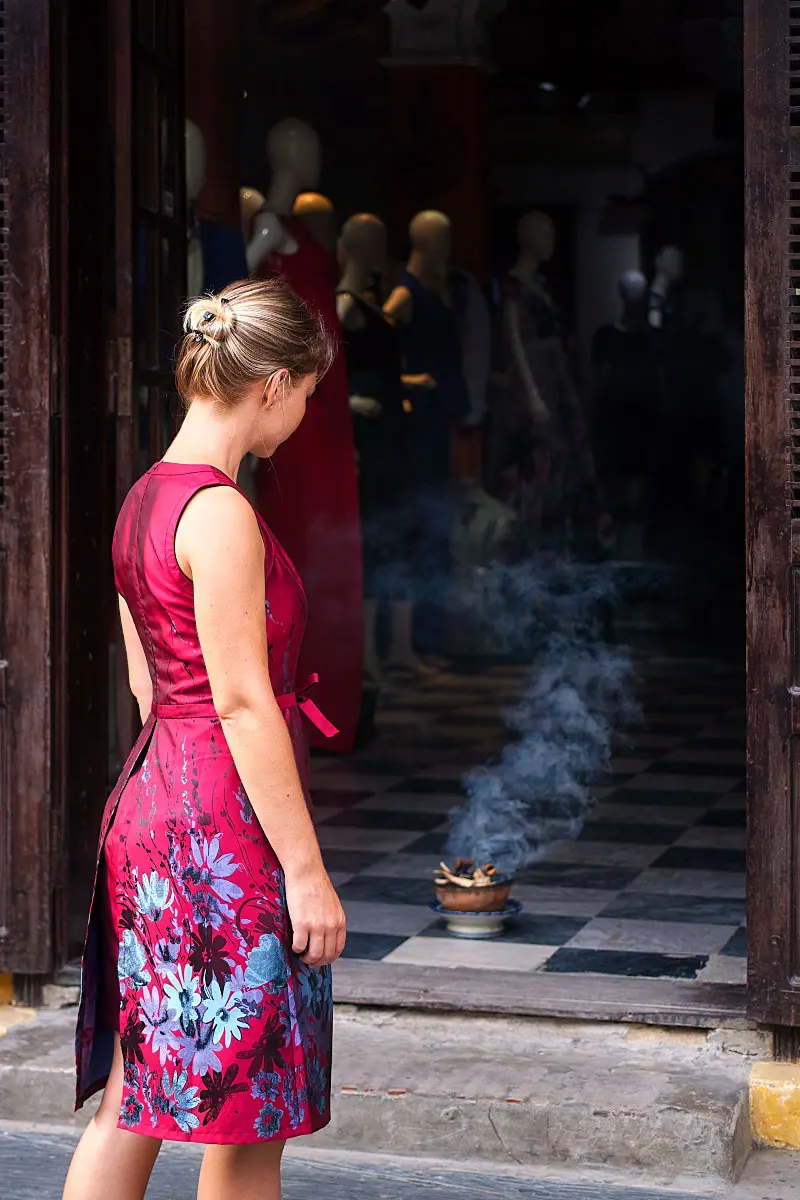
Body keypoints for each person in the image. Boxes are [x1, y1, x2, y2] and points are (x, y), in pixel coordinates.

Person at [64, 279, 347, 1200]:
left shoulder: (143, 501)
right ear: (271, 385)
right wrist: (304, 872)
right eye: (306, 393)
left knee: (137, 1088)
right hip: (220, 824)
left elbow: (152, 689)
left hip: (151, 807)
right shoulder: (220, 513)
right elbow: (241, 703)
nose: (304, 415)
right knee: (250, 1112)